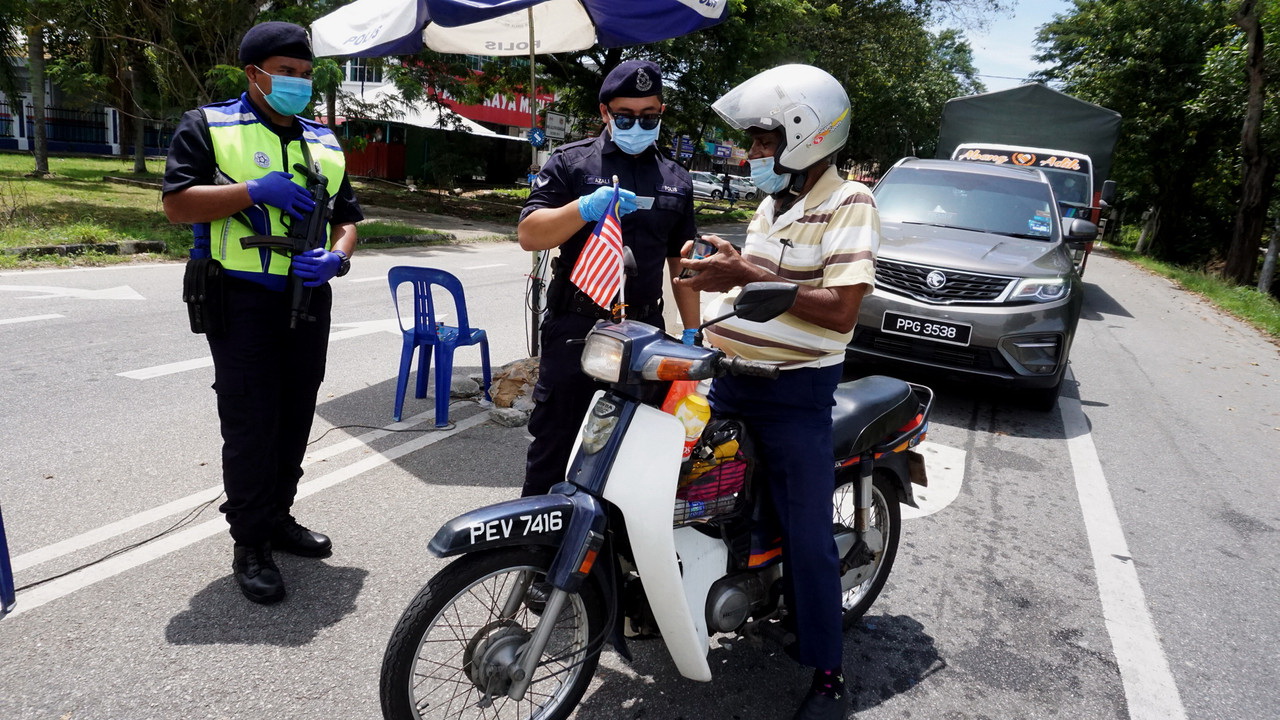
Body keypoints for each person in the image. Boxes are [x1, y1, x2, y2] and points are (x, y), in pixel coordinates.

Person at [675, 65, 878, 720]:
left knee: (807, 534)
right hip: (731, 381)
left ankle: (828, 674)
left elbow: (841, 311)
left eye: (763, 141)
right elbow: (759, 283)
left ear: (804, 135)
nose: (752, 153)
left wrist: (748, 274)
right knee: (694, 497)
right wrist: (721, 273)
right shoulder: (773, 204)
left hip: (795, 395)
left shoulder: (850, 203)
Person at [162, 21, 363, 605]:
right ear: (254, 74)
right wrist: (254, 191)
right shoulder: (209, 125)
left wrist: (338, 257)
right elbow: (177, 205)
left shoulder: (323, 140)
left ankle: (278, 517)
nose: (299, 82)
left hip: (308, 295)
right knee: (252, 421)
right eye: (286, 73)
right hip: (240, 296)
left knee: (297, 411)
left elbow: (347, 219)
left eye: (305, 74)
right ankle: (249, 543)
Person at [518, 59, 701, 498]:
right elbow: (529, 234)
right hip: (578, 328)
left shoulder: (676, 179)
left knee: (634, 453)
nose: (638, 125)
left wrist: (692, 335)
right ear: (605, 113)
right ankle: (539, 537)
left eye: (649, 116)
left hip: (644, 332)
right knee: (557, 445)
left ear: (661, 112)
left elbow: (682, 264)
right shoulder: (572, 162)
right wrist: (583, 208)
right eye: (625, 116)